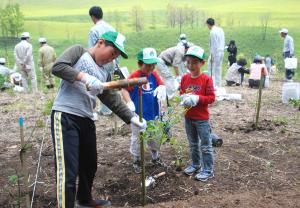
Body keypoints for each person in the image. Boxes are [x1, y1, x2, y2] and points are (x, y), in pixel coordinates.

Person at [51, 31, 147, 208]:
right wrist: (84, 77)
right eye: (112, 53)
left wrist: (131, 118)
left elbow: (110, 97)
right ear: (101, 43)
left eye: (116, 57)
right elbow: (58, 67)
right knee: (68, 171)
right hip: (66, 116)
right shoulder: (79, 52)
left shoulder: (104, 71)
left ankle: (85, 201)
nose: (112, 59)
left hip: (86, 118)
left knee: (89, 164)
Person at [121, 48, 167, 173]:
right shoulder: (135, 76)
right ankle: (137, 160)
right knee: (138, 138)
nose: (151, 68)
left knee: (154, 135)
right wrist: (129, 102)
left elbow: (161, 83)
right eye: (148, 65)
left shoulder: (154, 74)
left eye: (153, 64)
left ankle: (155, 156)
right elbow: (124, 89)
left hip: (153, 112)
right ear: (140, 63)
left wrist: (162, 88)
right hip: (139, 114)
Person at [180, 45, 215, 182]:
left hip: (201, 119)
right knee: (193, 143)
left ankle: (208, 169)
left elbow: (212, 98)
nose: (191, 65)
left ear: (202, 63)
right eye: (188, 62)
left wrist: (197, 98)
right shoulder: (184, 78)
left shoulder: (206, 79)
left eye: (195, 62)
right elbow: (182, 92)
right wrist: (183, 98)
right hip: (188, 117)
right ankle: (196, 164)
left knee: (205, 145)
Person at [88, 6, 116, 116]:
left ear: (92, 17)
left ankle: (90, 109)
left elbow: (91, 49)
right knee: (108, 86)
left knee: (93, 86)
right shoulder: (111, 28)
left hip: (99, 63)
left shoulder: (94, 30)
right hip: (111, 62)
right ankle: (107, 110)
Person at [206, 18, 225, 87]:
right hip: (221, 51)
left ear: (208, 24)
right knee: (218, 68)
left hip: (216, 52)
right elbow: (223, 41)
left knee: (210, 68)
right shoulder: (220, 29)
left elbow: (214, 45)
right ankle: (218, 84)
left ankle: (211, 84)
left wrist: (212, 55)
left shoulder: (212, 32)